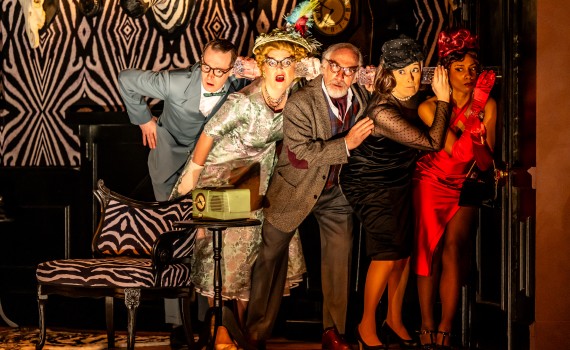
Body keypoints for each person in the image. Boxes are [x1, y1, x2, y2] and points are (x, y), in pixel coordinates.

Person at [169, 2, 322, 346]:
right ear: (261, 67)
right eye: (272, 61)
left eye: (287, 62)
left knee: (251, 257)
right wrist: (192, 175)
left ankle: (245, 336)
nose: (280, 68)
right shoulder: (244, 101)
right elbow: (209, 133)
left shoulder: (296, 96)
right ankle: (221, 331)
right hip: (221, 176)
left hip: (257, 179)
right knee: (225, 257)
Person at [118, 38, 252, 347]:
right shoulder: (175, 83)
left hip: (212, 170)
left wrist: (254, 69)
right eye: (206, 66)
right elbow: (126, 79)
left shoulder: (238, 80)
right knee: (173, 241)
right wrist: (144, 120)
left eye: (220, 70)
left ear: (232, 68)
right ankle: (177, 324)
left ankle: (209, 320)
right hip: (169, 165)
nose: (210, 75)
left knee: (207, 241)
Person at [245, 42, 375, 350]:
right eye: (334, 66)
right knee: (270, 258)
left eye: (349, 70)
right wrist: (347, 145)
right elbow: (301, 154)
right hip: (294, 189)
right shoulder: (301, 102)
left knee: (338, 260)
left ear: (357, 74)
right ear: (324, 65)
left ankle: (334, 333)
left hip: (336, 192)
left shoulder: (363, 99)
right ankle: (256, 333)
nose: (340, 75)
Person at [340, 37, 452, 350]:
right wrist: (444, 100)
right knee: (388, 253)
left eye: (416, 70)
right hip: (368, 182)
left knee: (402, 254)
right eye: (403, 72)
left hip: (397, 180)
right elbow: (432, 143)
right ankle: (365, 325)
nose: (412, 78)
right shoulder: (383, 110)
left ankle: (394, 319)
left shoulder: (412, 99)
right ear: (390, 74)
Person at [411, 28, 496, 349]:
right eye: (459, 69)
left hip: (467, 183)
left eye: (473, 69)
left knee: (454, 252)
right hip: (431, 181)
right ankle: (426, 325)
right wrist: (474, 111)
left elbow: (484, 162)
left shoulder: (491, 105)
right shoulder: (428, 107)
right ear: (445, 72)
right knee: (427, 253)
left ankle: (446, 328)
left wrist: (481, 117)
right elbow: (453, 151)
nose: (468, 75)